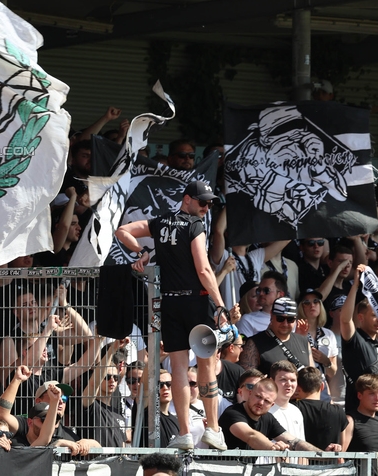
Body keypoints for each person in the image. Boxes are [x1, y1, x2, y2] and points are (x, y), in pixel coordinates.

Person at [117, 179, 235, 450]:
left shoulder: (159, 222)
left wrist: (141, 251)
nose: (206, 207)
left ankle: (183, 432)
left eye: (209, 203)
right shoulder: (195, 225)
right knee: (206, 365)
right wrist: (220, 306)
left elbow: (122, 230)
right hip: (197, 303)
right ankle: (213, 429)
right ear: (187, 199)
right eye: (202, 202)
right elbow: (204, 269)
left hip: (169, 304)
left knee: (179, 368)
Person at [340, 265, 378, 415]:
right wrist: (356, 286)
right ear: (360, 318)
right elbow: (345, 320)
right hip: (358, 415)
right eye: (373, 315)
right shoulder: (355, 340)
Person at [218, 378, 319, 451]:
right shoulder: (232, 413)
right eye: (258, 397)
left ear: (272, 404)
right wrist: (272, 447)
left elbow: (293, 441)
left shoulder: (268, 419)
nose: (261, 403)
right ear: (250, 394)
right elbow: (250, 436)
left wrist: (324, 455)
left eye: (267, 401)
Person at [239, 297, 312, 375]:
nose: (285, 324)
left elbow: (312, 376)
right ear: (271, 315)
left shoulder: (303, 341)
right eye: (280, 318)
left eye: (290, 319)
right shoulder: (254, 343)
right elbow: (247, 380)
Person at [293, 366, 348, 452]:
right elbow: (342, 446)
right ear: (322, 386)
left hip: (300, 463)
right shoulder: (338, 411)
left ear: (298, 388)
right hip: (331, 464)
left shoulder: (293, 409)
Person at [297, 289, 338, 400]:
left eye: (316, 301)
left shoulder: (328, 334)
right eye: (307, 302)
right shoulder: (293, 330)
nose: (312, 305)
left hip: (321, 387)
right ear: (301, 307)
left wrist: (326, 361)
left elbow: (332, 372)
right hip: (299, 386)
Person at [347, 374, 378, 452]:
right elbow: (340, 456)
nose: (377, 399)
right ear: (360, 395)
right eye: (372, 393)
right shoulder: (350, 420)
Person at [236, 272, 287, 337]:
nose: (261, 293)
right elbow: (244, 347)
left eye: (266, 290)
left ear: (280, 295)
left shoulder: (291, 321)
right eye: (259, 290)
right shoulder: (248, 320)